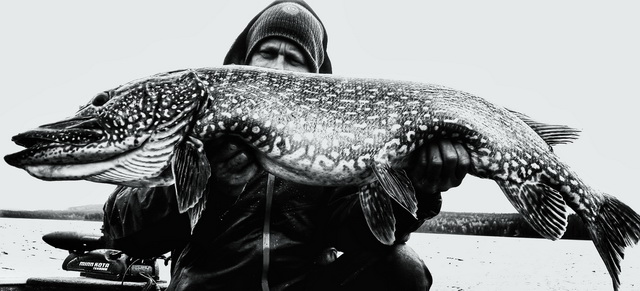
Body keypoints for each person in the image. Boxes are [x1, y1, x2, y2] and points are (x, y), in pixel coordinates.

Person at [102, 1, 471, 290]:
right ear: (243, 64)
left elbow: (358, 234)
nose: (278, 67)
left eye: (294, 59)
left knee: (402, 266)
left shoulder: (336, 154)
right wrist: (213, 187)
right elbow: (122, 228)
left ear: (315, 80)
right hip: (209, 287)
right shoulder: (195, 133)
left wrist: (420, 189)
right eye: (267, 52)